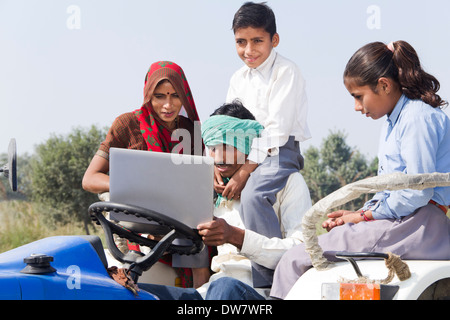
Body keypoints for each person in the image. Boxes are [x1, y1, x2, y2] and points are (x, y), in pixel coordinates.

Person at [270, 40, 450, 299]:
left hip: (417, 223)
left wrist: (364, 218)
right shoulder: (395, 120)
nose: (356, 107)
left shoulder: (415, 118)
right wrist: (361, 213)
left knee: (296, 259)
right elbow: (395, 189)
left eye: (358, 96)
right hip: (405, 221)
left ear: (384, 85)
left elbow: (416, 193)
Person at [138, 100, 312, 300]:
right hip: (211, 292)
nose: (219, 158)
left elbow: (301, 253)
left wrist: (236, 236)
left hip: (261, 294)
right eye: (212, 148)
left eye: (228, 147)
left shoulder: (287, 182)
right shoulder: (208, 188)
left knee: (225, 288)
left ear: (250, 146)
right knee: (135, 293)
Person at [82, 61, 210, 288]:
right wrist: (134, 187)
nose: (168, 105)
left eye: (175, 96)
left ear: (185, 97)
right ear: (148, 94)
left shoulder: (192, 131)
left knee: (203, 243)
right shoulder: (127, 124)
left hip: (180, 221)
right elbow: (90, 179)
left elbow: (198, 183)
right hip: (136, 219)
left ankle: (197, 299)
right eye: (159, 96)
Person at [221, 1, 312, 288]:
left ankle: (270, 280)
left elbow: (277, 130)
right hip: (245, 152)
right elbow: (228, 124)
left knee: (252, 196)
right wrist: (218, 163)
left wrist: (243, 172)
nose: (248, 50)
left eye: (257, 41)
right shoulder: (238, 78)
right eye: (241, 42)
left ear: (274, 39)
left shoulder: (287, 71)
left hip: (280, 151)